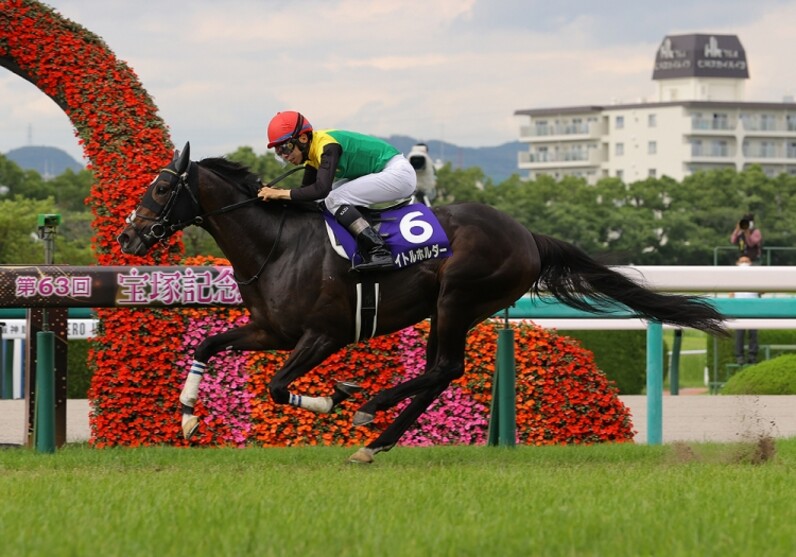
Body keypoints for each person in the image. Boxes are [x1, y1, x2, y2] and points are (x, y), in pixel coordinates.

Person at [258, 111, 417, 272]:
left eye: (286, 148)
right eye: (279, 152)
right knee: (325, 200)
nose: (285, 156)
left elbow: (321, 190)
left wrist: (281, 194)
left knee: (334, 198)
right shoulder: (312, 153)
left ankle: (379, 250)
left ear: (303, 139)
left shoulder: (327, 146)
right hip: (383, 172)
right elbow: (306, 195)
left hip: (398, 174)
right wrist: (276, 194)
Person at [731, 255, 759, 365]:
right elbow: (731, 293)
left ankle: (752, 356)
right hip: (739, 306)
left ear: (750, 262)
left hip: (753, 306)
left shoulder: (756, 276)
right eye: (742, 261)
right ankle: (740, 357)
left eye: (746, 261)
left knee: (753, 333)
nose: (744, 263)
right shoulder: (734, 277)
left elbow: (763, 290)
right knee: (739, 333)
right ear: (737, 263)